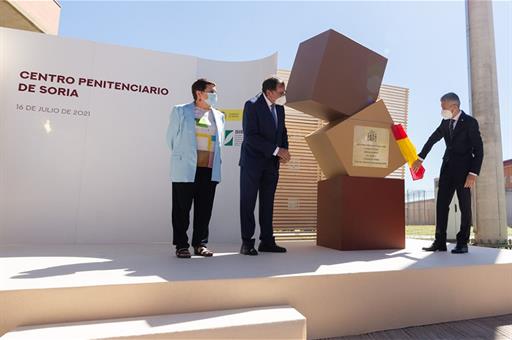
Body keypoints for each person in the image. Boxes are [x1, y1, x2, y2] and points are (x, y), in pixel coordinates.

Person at [412, 92, 483, 254]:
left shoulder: (470, 123)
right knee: (442, 205)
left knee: (465, 206)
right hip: (447, 169)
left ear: (454, 106)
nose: (442, 110)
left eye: (443, 107)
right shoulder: (445, 122)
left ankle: (462, 242)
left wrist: (473, 173)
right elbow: (433, 138)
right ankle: (440, 241)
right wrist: (420, 157)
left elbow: (479, 149)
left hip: (465, 172)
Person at [166, 79, 225, 258]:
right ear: (199, 93)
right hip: (185, 168)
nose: (215, 95)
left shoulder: (219, 116)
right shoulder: (180, 111)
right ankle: (181, 245)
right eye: (211, 91)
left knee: (204, 209)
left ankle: (200, 244)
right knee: (181, 209)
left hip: (209, 168)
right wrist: (183, 156)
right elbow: (171, 139)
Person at [239, 76, 291, 256]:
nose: (283, 94)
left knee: (267, 204)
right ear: (269, 92)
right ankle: (247, 243)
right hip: (252, 163)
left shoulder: (280, 109)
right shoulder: (252, 105)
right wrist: (277, 150)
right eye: (280, 91)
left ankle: (267, 241)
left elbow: (283, 132)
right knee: (248, 203)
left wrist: (284, 151)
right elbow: (251, 137)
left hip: (271, 165)